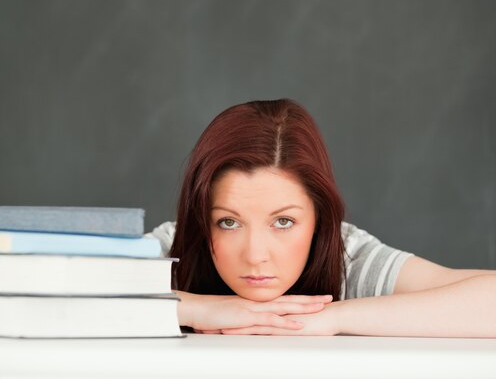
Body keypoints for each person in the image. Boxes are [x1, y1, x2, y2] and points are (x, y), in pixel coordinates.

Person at [151, 99, 496, 336]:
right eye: (229, 222)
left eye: (283, 222)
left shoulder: (347, 257)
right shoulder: (175, 247)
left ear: (319, 217)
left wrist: (329, 318)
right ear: (200, 218)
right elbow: (94, 287)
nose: (256, 254)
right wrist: (197, 309)